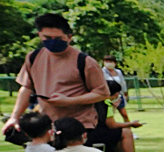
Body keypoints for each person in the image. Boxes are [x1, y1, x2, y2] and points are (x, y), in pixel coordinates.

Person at [2, 13, 109, 142]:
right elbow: (26, 88)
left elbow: (102, 93)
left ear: (69, 37)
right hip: (45, 126)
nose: (52, 41)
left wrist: (69, 101)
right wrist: (14, 117)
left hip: (78, 126)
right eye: (47, 37)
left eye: (58, 38)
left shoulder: (85, 62)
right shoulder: (33, 57)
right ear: (39, 35)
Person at [87, 80, 153, 152]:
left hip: (87, 132)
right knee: (125, 132)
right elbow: (111, 125)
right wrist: (130, 124)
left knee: (118, 133)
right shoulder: (106, 103)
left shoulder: (93, 101)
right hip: (93, 134)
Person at [100, 56, 131, 123]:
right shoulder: (102, 72)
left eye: (110, 62)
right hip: (108, 97)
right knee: (109, 115)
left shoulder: (118, 72)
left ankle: (128, 128)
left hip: (119, 96)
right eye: (107, 61)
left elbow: (122, 83)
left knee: (124, 115)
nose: (109, 63)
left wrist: (125, 93)